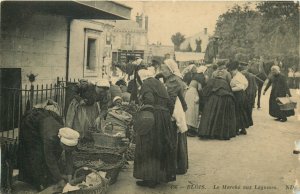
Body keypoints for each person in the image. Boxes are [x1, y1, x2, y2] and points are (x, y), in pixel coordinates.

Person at [18, 103, 79, 192]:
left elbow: (69, 155)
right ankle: (36, 182)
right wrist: (60, 180)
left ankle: (49, 175)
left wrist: (70, 174)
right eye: (65, 148)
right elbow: (50, 159)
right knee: (36, 154)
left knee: (53, 152)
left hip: (47, 119)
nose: (66, 151)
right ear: (61, 142)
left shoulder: (66, 134)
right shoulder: (50, 138)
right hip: (32, 123)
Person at [133, 68, 176, 188]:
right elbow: (170, 103)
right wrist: (166, 117)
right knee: (160, 147)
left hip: (153, 118)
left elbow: (149, 100)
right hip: (164, 118)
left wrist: (143, 112)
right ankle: (159, 176)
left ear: (141, 77)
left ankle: (150, 179)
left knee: (148, 146)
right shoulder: (159, 83)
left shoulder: (146, 84)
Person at [160, 62, 188, 175]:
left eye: (164, 69)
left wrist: (169, 115)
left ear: (171, 70)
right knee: (178, 139)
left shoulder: (173, 82)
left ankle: (176, 166)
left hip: (174, 112)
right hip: (178, 111)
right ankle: (179, 165)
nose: (163, 71)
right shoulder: (173, 79)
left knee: (174, 139)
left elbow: (171, 100)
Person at [198, 63, 236, 140]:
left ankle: (207, 132)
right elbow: (229, 90)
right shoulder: (225, 81)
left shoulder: (212, 80)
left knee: (209, 114)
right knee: (220, 116)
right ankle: (219, 133)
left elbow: (206, 90)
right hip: (224, 99)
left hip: (213, 98)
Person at [227, 61, 252, 135]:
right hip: (241, 95)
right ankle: (243, 129)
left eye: (232, 71)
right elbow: (246, 84)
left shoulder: (238, 76)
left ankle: (237, 129)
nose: (231, 73)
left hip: (238, 95)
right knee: (241, 111)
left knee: (237, 112)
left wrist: (230, 90)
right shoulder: (239, 76)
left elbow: (240, 87)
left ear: (235, 70)